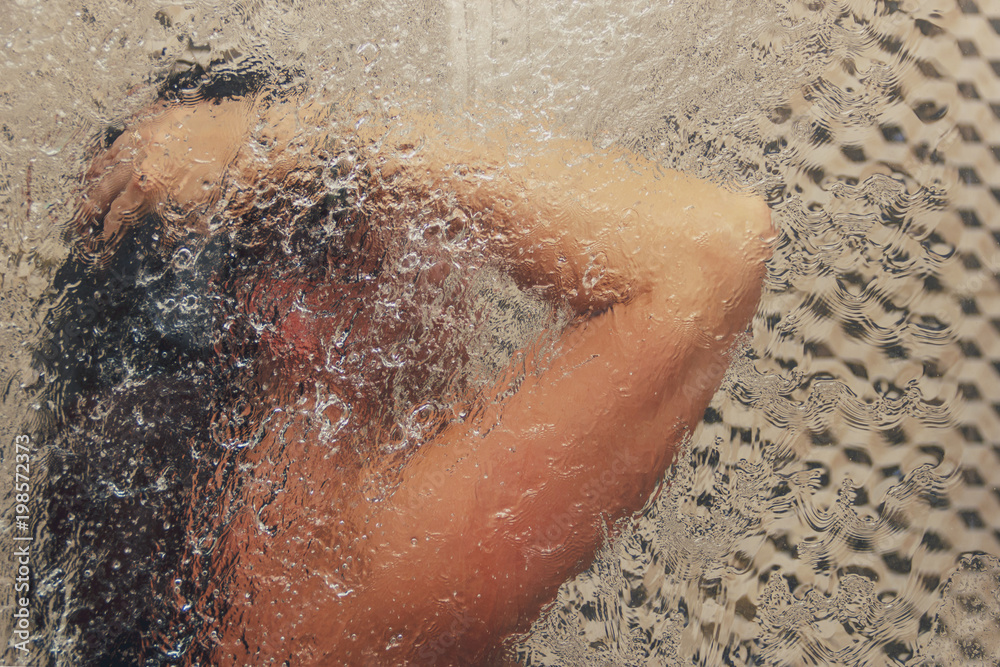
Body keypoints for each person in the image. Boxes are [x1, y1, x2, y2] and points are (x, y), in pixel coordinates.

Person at [65, 74, 772, 665]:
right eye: (408, 240)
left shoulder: (203, 548)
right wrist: (289, 141)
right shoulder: (329, 576)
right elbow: (716, 257)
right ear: (295, 312)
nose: (454, 284)